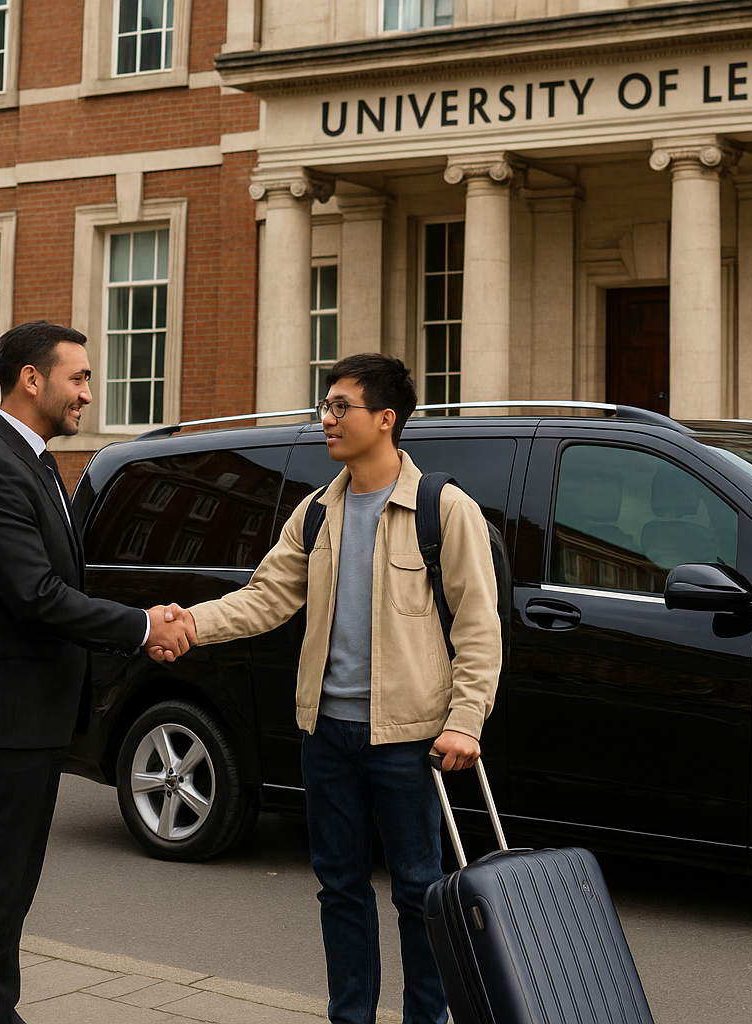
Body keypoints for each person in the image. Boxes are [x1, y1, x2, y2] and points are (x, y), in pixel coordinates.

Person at [153, 353, 500, 1024]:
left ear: (385, 419)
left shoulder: (443, 509)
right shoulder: (317, 513)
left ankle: (426, 1019)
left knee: (418, 892)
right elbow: (265, 599)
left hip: (408, 740)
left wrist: (466, 720)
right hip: (327, 736)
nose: (327, 419)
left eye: (342, 407)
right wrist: (188, 621)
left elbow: (480, 627)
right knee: (339, 889)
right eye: (326, 405)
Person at [0, 320, 193, 1024]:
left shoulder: (34, 461)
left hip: (27, 720)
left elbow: (58, 586)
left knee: (4, 898)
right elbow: (36, 595)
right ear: (31, 379)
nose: (87, 394)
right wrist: (141, 628)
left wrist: (142, 620)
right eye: (77, 378)